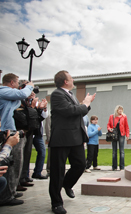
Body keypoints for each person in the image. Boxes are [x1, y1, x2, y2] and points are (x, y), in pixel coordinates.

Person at [49, 70, 96, 214]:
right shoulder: (57, 94)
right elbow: (69, 111)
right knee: (58, 171)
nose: (73, 79)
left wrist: (85, 104)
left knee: (80, 165)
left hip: (76, 138)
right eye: (71, 78)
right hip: (62, 139)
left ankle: (67, 184)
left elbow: (78, 111)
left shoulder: (71, 95)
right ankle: (56, 202)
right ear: (65, 81)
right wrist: (85, 104)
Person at [0, 73, 33, 206]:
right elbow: (21, 95)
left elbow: (21, 98)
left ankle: (10, 191)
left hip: (10, 129)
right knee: (8, 164)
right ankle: (6, 195)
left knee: (13, 164)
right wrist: (29, 87)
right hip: (6, 130)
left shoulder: (9, 94)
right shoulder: (3, 90)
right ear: (12, 83)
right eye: (18, 83)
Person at [107, 105, 130, 171]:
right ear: (116, 110)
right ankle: (114, 167)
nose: (120, 111)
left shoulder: (124, 116)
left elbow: (126, 126)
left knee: (121, 151)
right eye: (119, 109)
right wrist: (109, 129)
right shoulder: (112, 116)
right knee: (114, 151)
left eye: (121, 110)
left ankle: (122, 167)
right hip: (114, 134)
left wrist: (127, 135)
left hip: (121, 134)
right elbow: (108, 124)